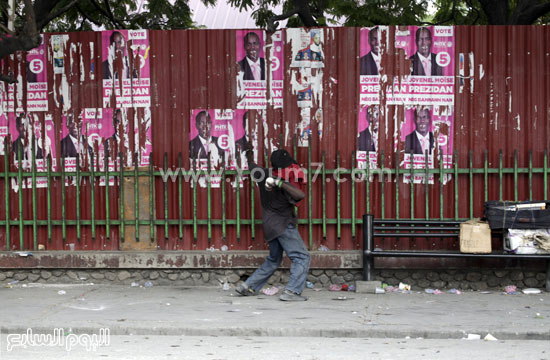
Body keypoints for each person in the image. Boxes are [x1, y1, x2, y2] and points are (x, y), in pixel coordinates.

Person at [235, 145, 311, 301]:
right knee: (302, 257)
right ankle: (292, 292)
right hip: (282, 225)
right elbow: (300, 195)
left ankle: (247, 286)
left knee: (274, 259)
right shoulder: (284, 181)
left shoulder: (263, 174)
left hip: (269, 226)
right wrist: (279, 183)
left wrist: (249, 155)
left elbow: (252, 166)